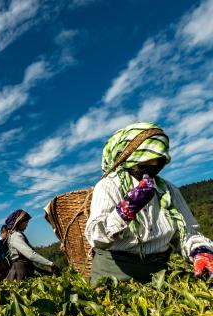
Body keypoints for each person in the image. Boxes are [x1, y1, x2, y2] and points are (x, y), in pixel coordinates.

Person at [85, 122, 213, 286]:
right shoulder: (108, 186)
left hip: (158, 276)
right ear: (129, 158)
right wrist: (125, 211)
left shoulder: (168, 190)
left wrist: (200, 251)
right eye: (146, 161)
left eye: (158, 161)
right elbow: (96, 236)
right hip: (114, 277)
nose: (153, 167)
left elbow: (187, 233)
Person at [5, 209, 58, 281]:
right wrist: (51, 264)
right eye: (26, 222)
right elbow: (30, 255)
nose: (27, 224)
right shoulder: (15, 236)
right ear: (20, 222)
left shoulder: (16, 235)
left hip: (25, 268)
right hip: (21, 272)